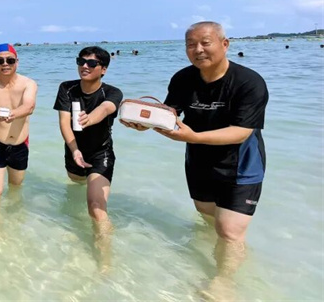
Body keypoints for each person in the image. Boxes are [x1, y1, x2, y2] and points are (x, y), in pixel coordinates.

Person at [122, 21, 269, 298]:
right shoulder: (183, 78)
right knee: (208, 219)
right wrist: (145, 123)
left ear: (225, 44)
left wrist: (194, 137)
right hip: (199, 161)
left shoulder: (249, 82)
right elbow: (171, 115)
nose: (198, 49)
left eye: (205, 42)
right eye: (191, 44)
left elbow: (241, 132)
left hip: (240, 165)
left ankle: (224, 281)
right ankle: (219, 257)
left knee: (229, 231)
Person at [54, 46, 122, 271]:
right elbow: (64, 123)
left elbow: (106, 108)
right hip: (74, 150)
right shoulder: (67, 88)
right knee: (76, 182)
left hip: (101, 152)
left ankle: (105, 260)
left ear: (103, 69)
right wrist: (74, 150)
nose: (85, 66)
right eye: (81, 61)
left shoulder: (112, 92)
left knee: (96, 206)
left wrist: (90, 118)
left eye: (92, 63)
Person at [0, 44, 37, 205]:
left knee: (15, 187)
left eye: (10, 60)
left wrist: (13, 114)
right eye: (0, 61)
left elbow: (29, 106)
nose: (5, 64)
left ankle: (14, 218)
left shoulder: (28, 83)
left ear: (17, 62)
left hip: (20, 143)